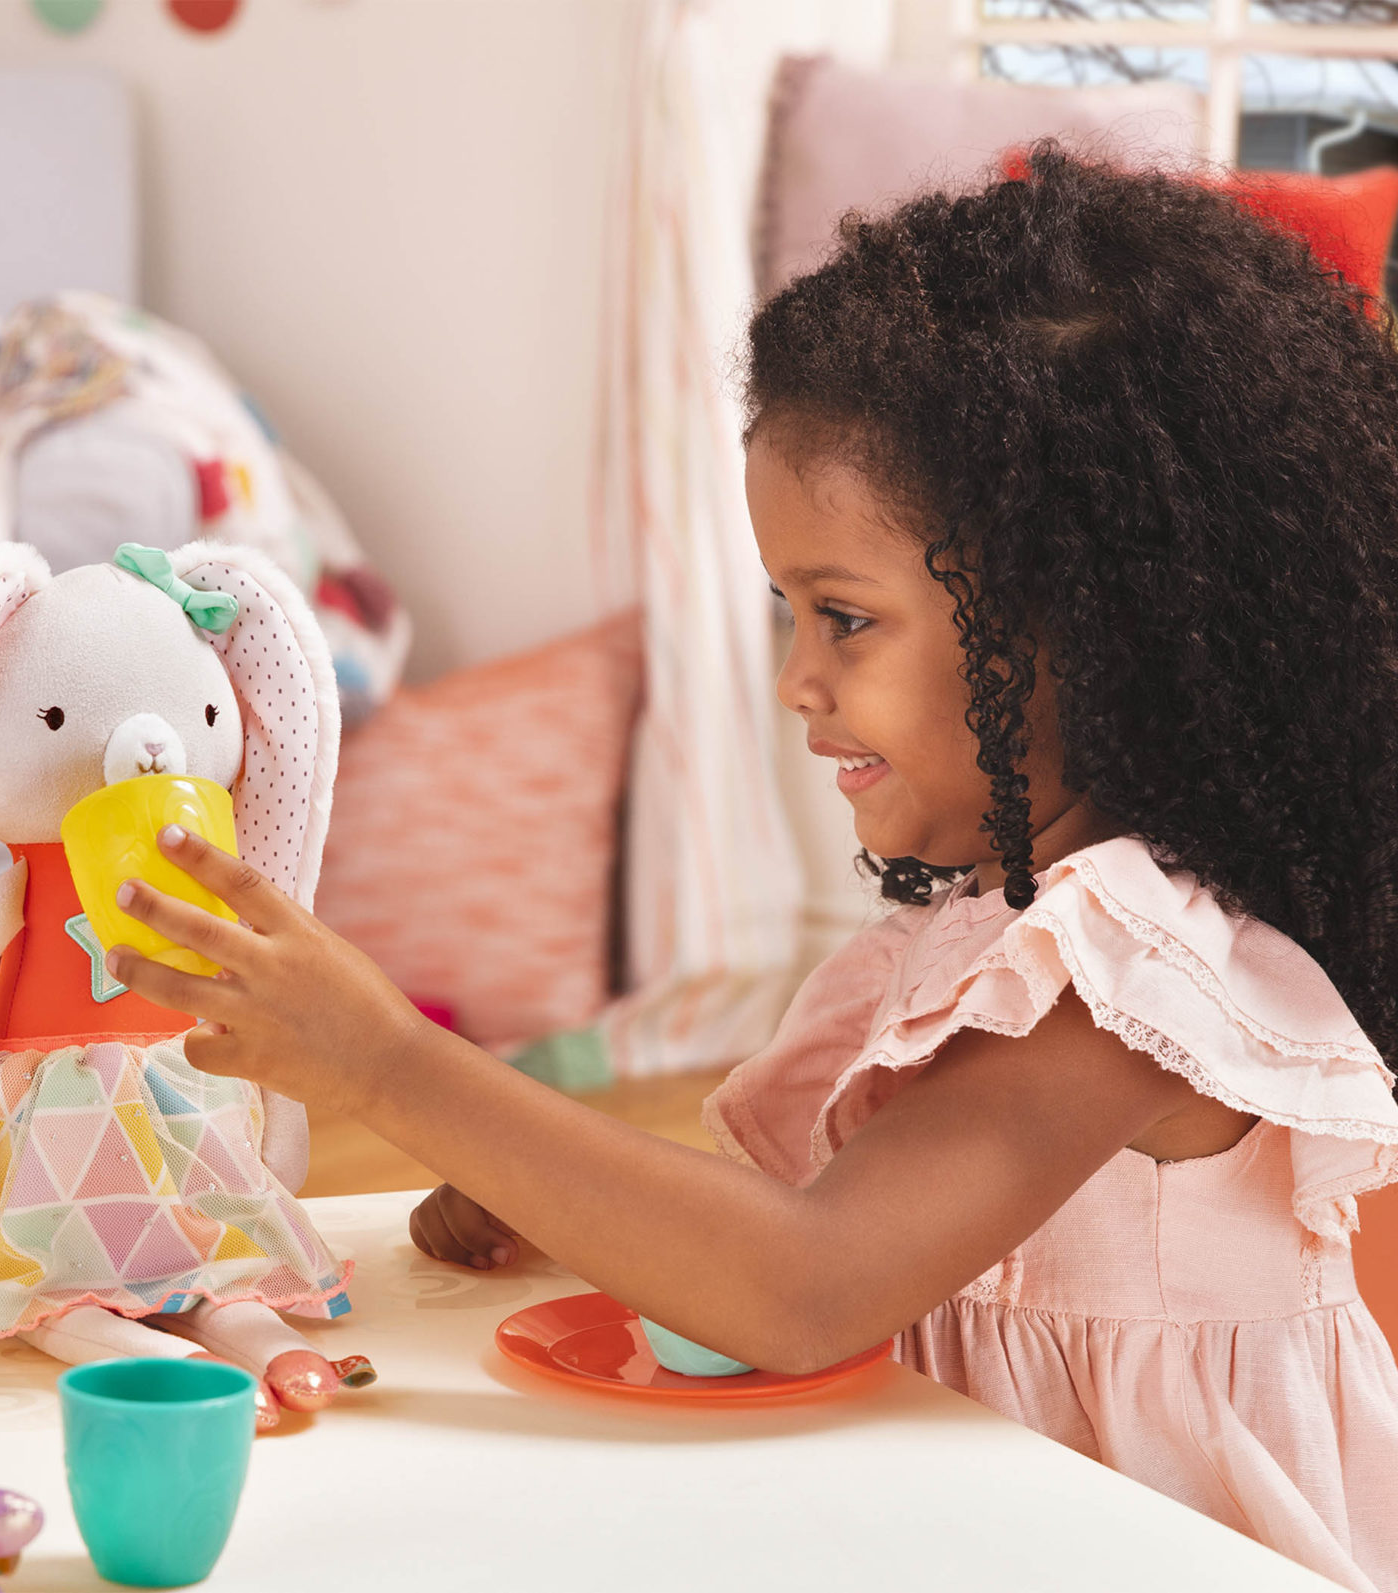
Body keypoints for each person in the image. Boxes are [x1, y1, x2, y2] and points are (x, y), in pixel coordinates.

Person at [104, 147, 1398, 1592]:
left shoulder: (1134, 982)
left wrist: (389, 1067)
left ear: (1085, 629)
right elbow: (772, 1249)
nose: (798, 679)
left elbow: (803, 1279)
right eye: (787, 611)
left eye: (846, 619)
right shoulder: (972, 935)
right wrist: (559, 1187)